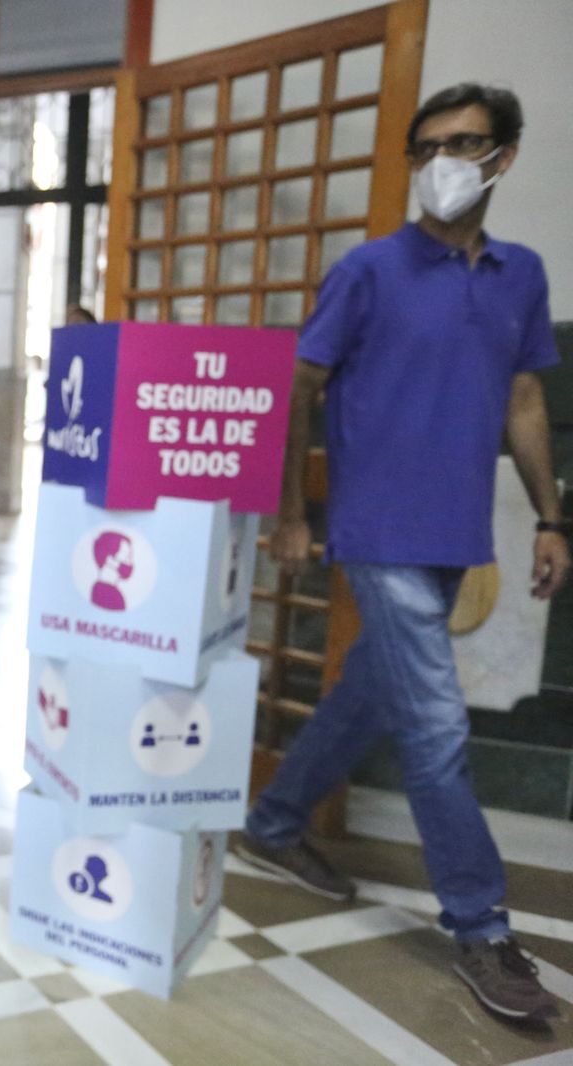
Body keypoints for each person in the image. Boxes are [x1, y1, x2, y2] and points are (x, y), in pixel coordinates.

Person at [234, 83, 568, 1023]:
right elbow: (301, 384)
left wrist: (551, 517)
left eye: (464, 143)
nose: (444, 163)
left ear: (504, 155)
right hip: (376, 528)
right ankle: (482, 926)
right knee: (434, 724)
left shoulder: (521, 274)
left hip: (453, 533)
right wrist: (292, 511)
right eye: (426, 149)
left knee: (371, 693)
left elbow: (526, 402)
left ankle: (273, 822)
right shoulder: (370, 272)